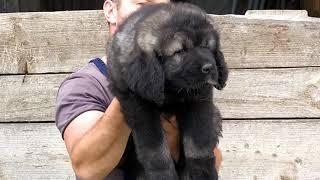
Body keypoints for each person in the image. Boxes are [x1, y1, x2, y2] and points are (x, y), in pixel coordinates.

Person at [55, 0, 222, 179]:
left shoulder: (179, 72)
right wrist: (132, 86)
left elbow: (214, 160)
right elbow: (87, 168)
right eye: (143, 4)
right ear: (111, 11)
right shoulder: (86, 84)